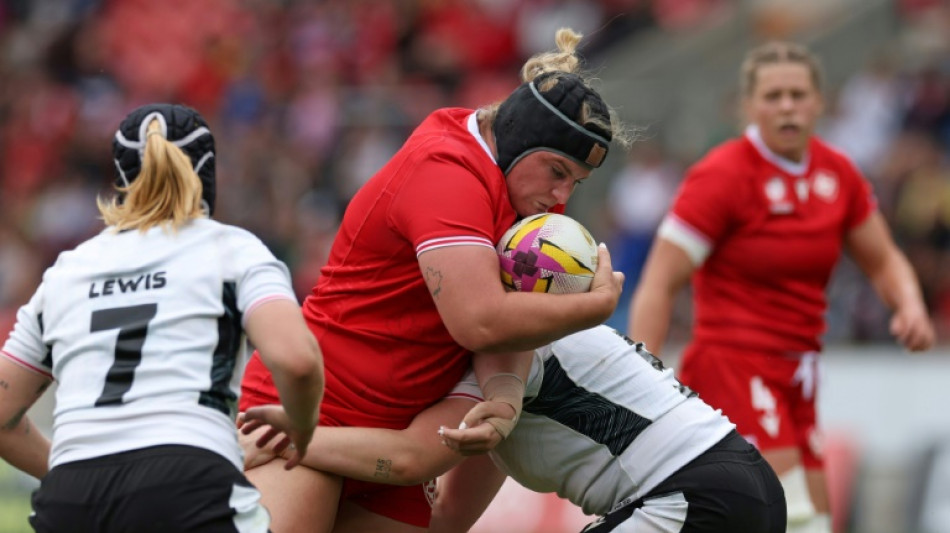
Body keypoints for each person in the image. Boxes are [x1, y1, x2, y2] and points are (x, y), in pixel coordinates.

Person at [239, 26, 629, 532]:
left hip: (395, 441)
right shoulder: (448, 168)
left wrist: (506, 397)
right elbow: (481, 322)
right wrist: (594, 307)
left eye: (575, 182)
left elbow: (511, 324)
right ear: (518, 140)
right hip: (310, 411)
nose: (561, 198)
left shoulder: (515, 194)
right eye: (556, 171)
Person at [627, 41, 935, 533]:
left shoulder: (838, 174)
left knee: (814, 517)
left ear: (819, 102)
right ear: (748, 105)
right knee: (792, 514)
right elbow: (660, 282)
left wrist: (910, 305)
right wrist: (643, 381)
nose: (787, 105)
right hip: (734, 365)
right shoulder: (722, 176)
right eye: (773, 96)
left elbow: (883, 259)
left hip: (799, 375)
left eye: (797, 94)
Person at [0, 103, 325, 532]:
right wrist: (302, 426)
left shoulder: (67, 269)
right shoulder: (233, 249)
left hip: (69, 499)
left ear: (120, 179)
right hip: (188, 480)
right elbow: (297, 363)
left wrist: (72, 471)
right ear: (208, 173)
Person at [242, 325, 787, 532]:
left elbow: (410, 459)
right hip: (731, 488)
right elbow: (451, 516)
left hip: (695, 497)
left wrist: (298, 440)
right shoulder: (506, 391)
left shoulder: (505, 347)